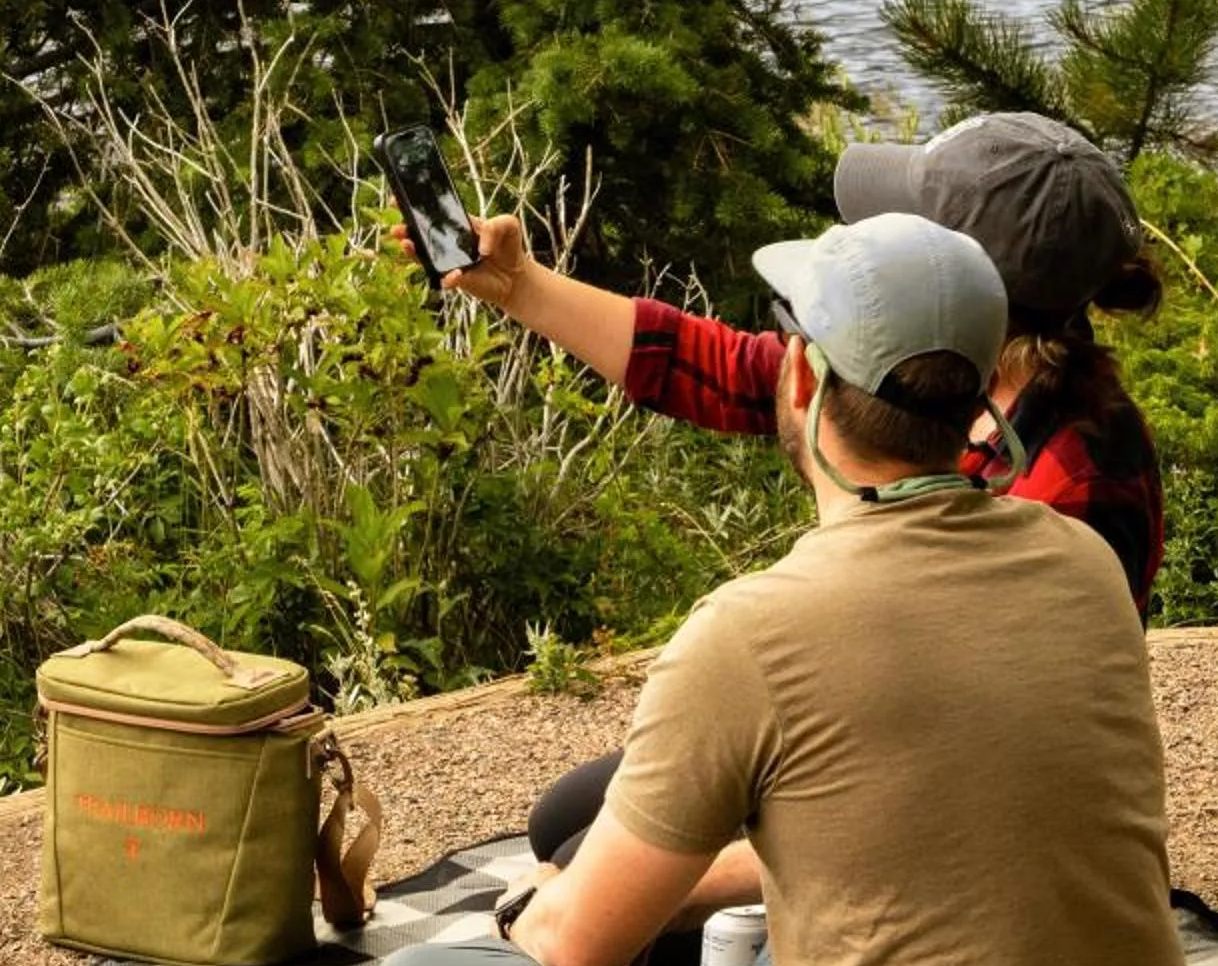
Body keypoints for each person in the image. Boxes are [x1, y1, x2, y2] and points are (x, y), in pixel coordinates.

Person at [359, 213, 1218, 966]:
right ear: (985, 387)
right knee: (739, 954)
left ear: (798, 374)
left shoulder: (754, 631)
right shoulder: (1078, 561)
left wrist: (530, 912)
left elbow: (579, 951)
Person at [433, 110, 1168, 611]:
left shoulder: (1081, 483)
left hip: (956, 773)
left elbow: (1002, 696)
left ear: (961, 282)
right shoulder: (929, 370)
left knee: (582, 826)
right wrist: (523, 288)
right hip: (880, 696)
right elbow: (723, 370)